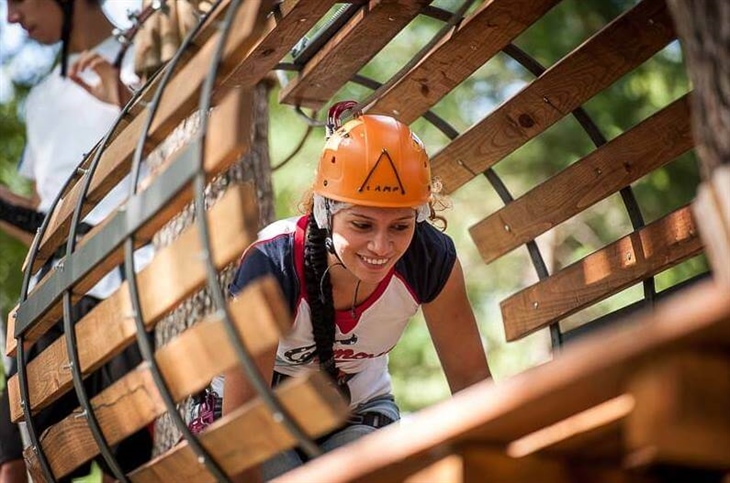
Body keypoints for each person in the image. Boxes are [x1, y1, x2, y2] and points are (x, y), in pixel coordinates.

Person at [222, 102, 492, 480]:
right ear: (324, 211)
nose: (381, 247)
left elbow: (471, 384)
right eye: (362, 225)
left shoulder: (430, 260)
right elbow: (240, 425)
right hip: (258, 416)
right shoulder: (275, 263)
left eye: (400, 226)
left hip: (356, 411)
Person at [1, 0, 154, 481]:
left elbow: (180, 150)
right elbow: (46, 219)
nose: (9, 18)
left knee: (126, 464)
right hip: (53, 295)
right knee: (15, 460)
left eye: (18, 1)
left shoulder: (147, 54)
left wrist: (124, 97)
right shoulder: (43, 97)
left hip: (130, 286)